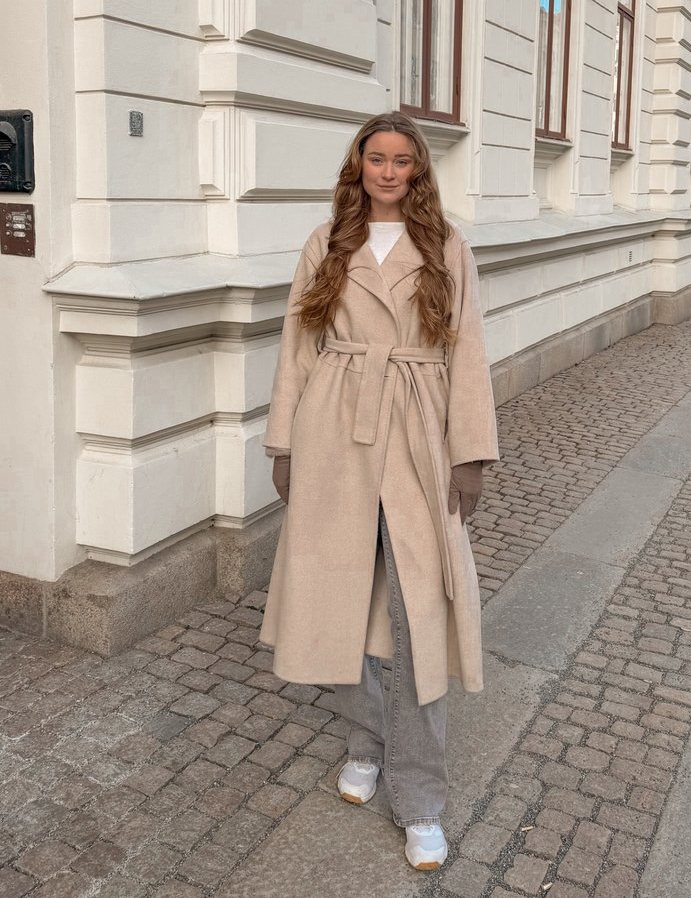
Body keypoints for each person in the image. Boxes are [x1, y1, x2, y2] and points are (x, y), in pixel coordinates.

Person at [260, 111, 499, 870]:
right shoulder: (327, 241)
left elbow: (468, 351)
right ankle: (364, 744)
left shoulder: (446, 244)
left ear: (419, 170)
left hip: (419, 426)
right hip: (334, 426)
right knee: (341, 601)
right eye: (377, 159)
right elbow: (297, 346)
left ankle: (421, 793)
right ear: (358, 165)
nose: (389, 171)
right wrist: (284, 441)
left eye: (402, 160)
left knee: (420, 606)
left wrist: (471, 455)